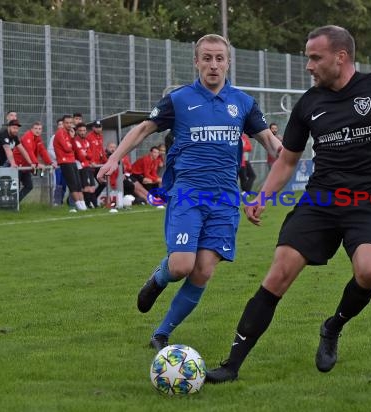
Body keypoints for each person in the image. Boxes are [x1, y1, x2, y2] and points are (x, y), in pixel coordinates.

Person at [205, 25, 371, 383]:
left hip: (369, 203)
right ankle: (232, 365)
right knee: (278, 274)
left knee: (368, 272)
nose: (309, 66)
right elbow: (287, 160)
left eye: (315, 58)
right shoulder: (308, 104)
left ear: (341, 57)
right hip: (320, 201)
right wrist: (262, 196)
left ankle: (333, 326)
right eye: (308, 58)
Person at [96, 33, 280, 351]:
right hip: (188, 194)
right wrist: (114, 159)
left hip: (224, 199)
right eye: (206, 58)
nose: (213, 64)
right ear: (196, 61)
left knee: (203, 270)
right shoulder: (179, 100)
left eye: (219, 58)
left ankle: (162, 333)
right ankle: (158, 279)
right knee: (181, 265)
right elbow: (143, 128)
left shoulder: (244, 103)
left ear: (228, 62)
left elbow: (271, 143)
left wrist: (287, 159)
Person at [53, 114, 88, 211]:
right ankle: (79, 205)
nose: (69, 125)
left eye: (70, 123)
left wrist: (72, 139)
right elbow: (67, 148)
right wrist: (72, 139)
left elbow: (75, 148)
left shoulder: (70, 133)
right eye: (67, 123)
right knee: (72, 185)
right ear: (63, 124)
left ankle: (83, 204)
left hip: (72, 161)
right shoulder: (60, 133)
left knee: (78, 184)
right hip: (65, 162)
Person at [13, 121, 54, 201]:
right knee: (15, 187)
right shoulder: (27, 136)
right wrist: (36, 163)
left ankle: (15, 202)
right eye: (35, 128)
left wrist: (50, 162)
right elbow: (29, 151)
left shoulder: (38, 138)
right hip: (17, 165)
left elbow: (43, 151)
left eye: (40, 129)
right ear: (31, 129)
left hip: (27, 166)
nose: (38, 130)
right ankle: (10, 204)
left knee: (29, 186)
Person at [87, 120, 107, 206]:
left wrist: (106, 161)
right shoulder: (89, 137)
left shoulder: (100, 137)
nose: (98, 129)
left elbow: (101, 150)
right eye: (96, 127)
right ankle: (91, 203)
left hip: (98, 164)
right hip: (91, 165)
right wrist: (91, 161)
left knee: (103, 183)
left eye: (100, 127)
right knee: (90, 185)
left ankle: (93, 199)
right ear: (93, 128)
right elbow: (88, 150)